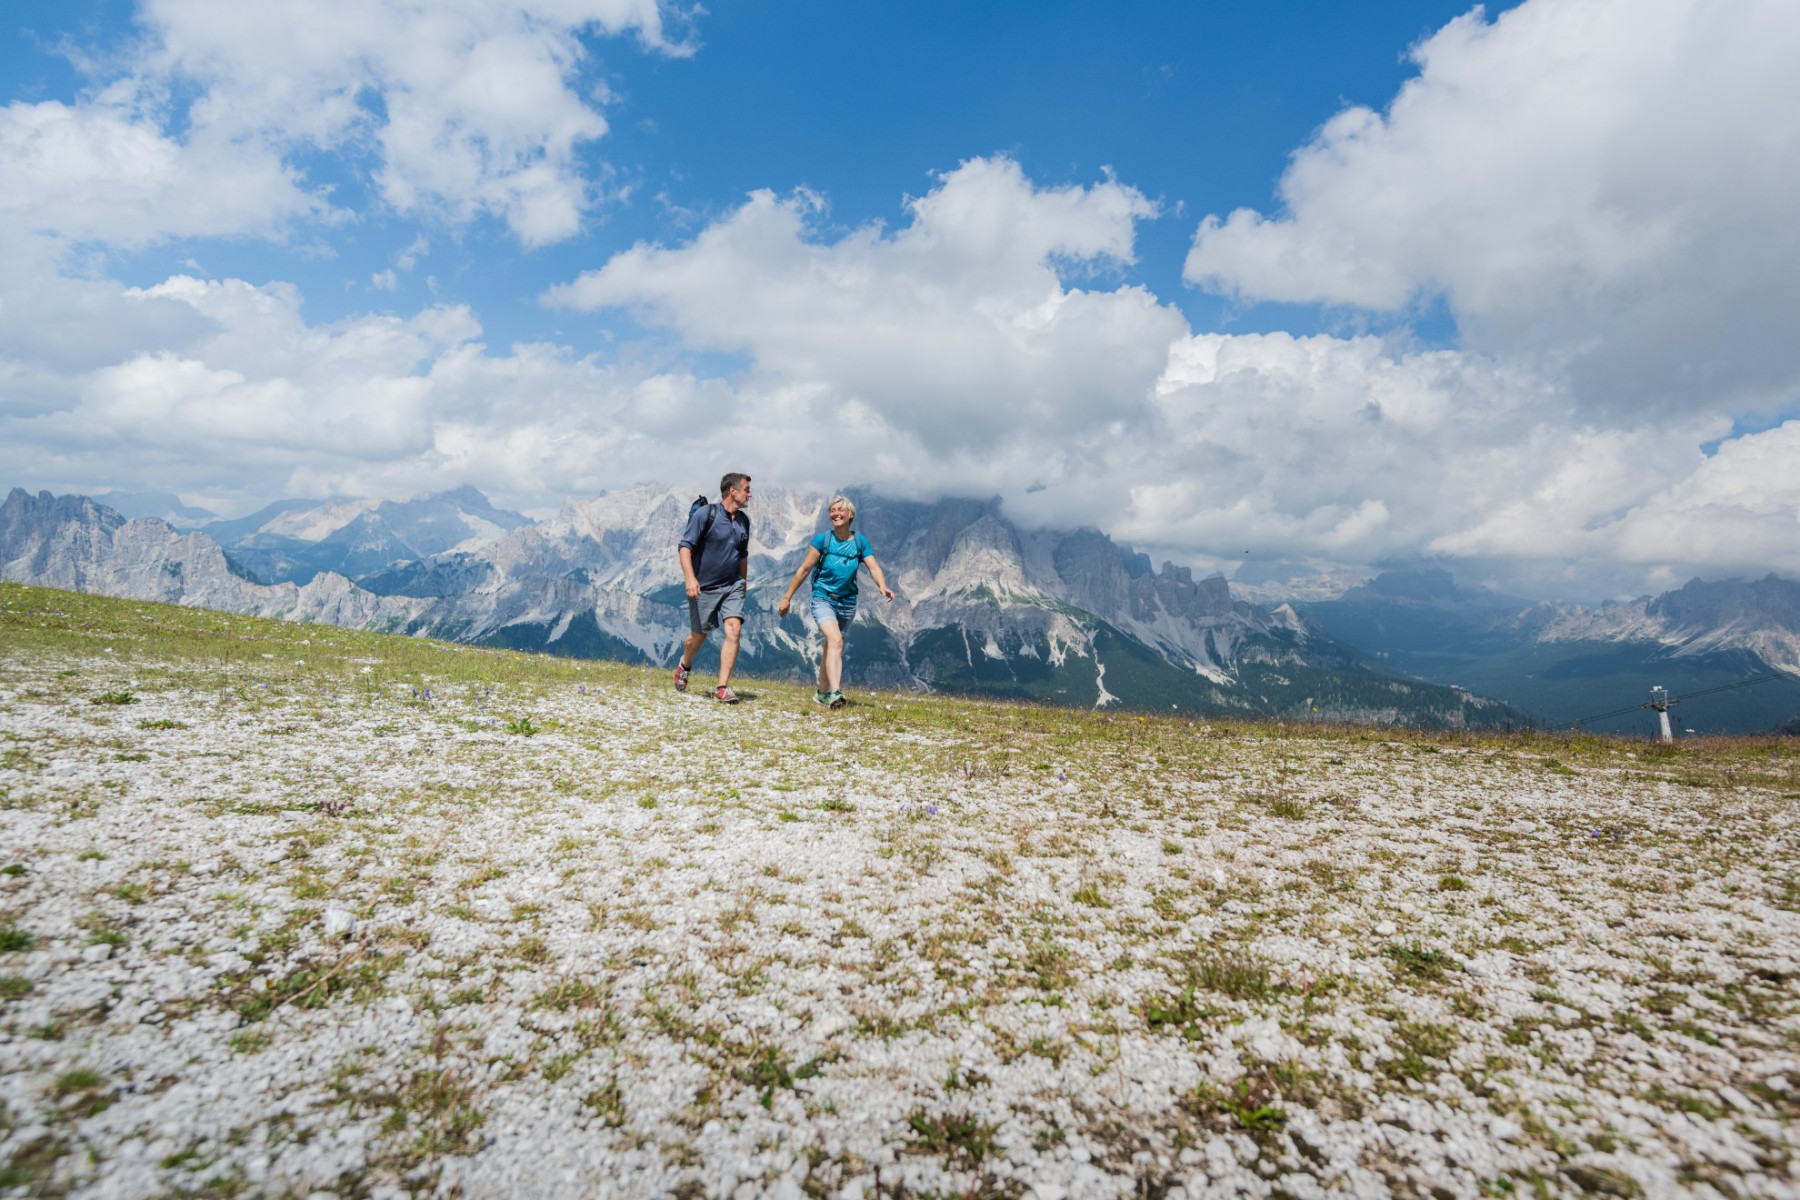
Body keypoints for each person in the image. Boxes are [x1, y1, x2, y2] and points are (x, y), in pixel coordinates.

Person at [777, 495, 894, 708]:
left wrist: (882, 586)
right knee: (836, 640)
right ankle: (835, 693)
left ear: (850, 514)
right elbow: (803, 570)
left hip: (848, 602)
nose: (836, 513)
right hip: (823, 598)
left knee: (832, 644)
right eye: (832, 510)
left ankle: (821, 693)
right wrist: (787, 598)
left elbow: (873, 567)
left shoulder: (860, 541)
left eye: (840, 510)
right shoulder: (823, 540)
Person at [675, 473, 753, 703]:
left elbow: (743, 555)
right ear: (732, 491)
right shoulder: (705, 515)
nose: (750, 494)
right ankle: (685, 664)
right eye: (746, 489)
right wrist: (690, 578)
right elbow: (684, 547)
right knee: (697, 639)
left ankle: (722, 687)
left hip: (733, 585)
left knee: (734, 630)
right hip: (705, 587)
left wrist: (743, 583)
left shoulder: (743, 520)